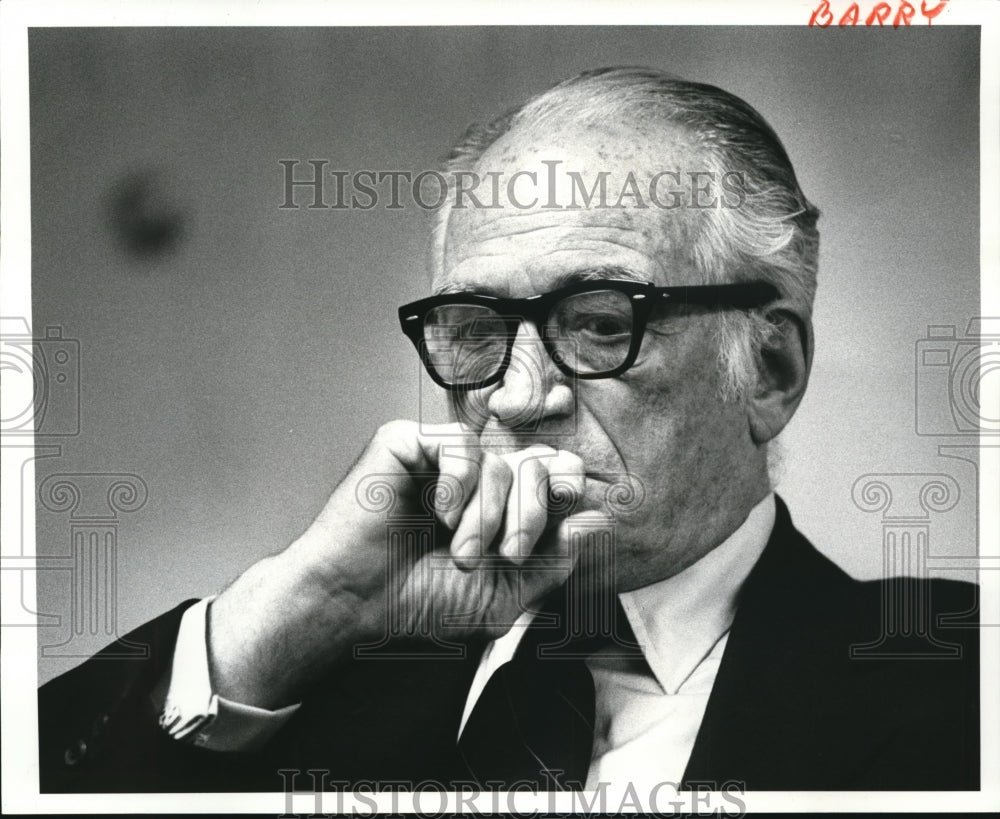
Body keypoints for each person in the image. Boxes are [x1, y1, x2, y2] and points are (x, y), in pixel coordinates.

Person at [38, 66, 979, 794]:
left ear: (769, 371)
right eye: (478, 331)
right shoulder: (294, 682)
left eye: (604, 321)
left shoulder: (956, 689)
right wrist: (294, 610)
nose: (519, 397)